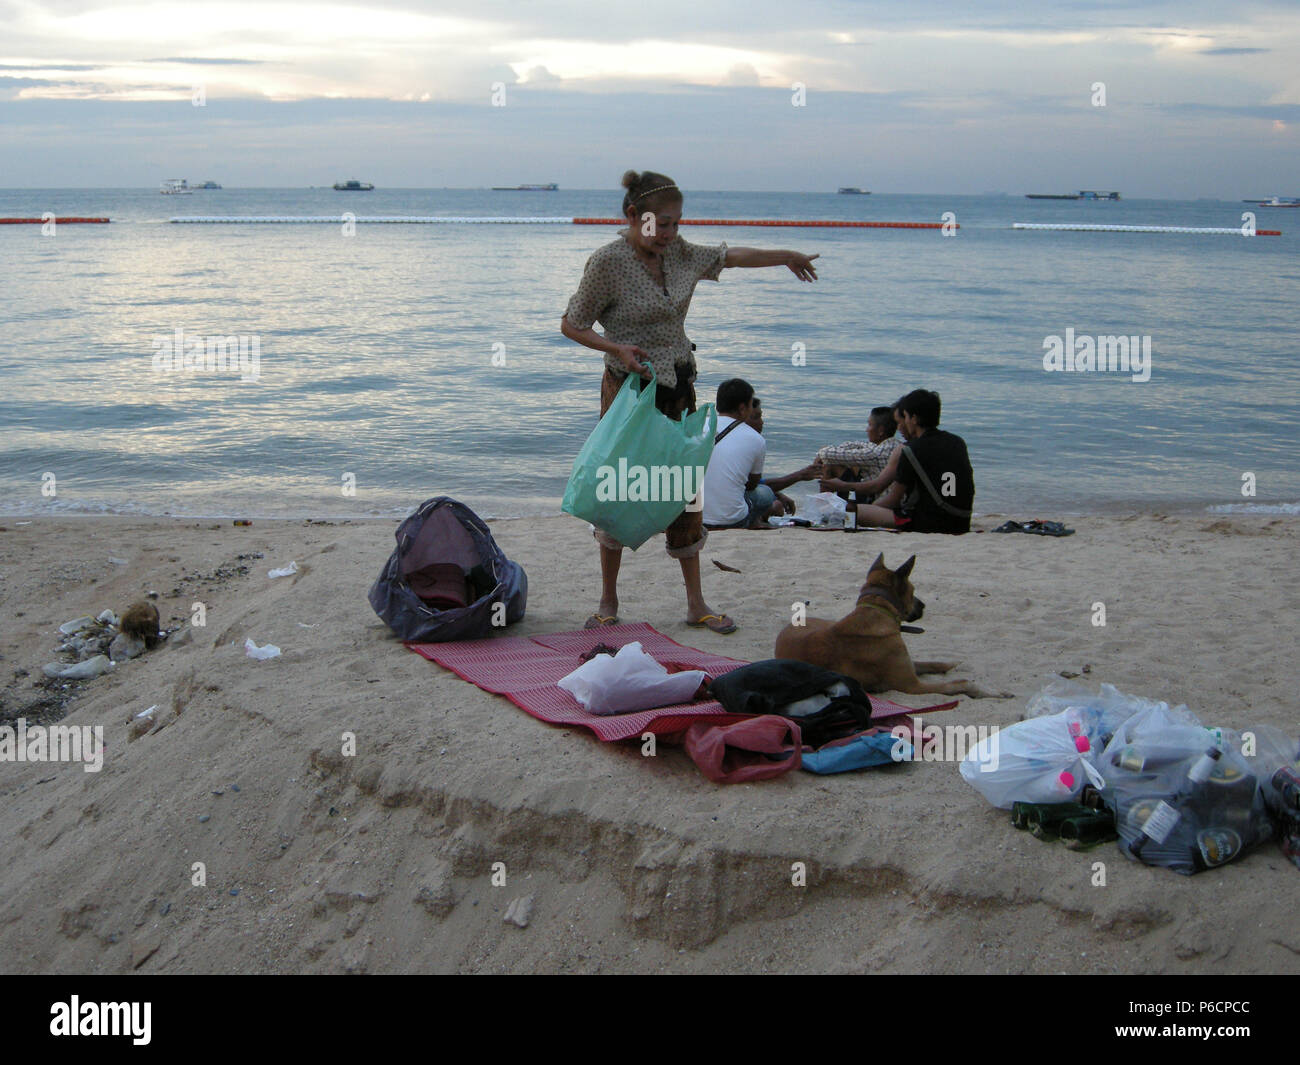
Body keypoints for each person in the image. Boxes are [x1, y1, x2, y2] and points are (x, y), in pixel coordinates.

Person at [560, 169, 820, 633]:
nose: (668, 233)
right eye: (660, 223)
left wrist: (786, 256)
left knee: (685, 493)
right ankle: (608, 601)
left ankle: (696, 604)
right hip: (628, 395)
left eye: (676, 223)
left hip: (678, 389)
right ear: (632, 216)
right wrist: (616, 348)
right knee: (620, 489)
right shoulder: (607, 262)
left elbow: (730, 257)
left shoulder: (680, 254)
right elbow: (572, 324)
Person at [842, 389, 975, 534]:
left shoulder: (911, 450)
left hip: (930, 522)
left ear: (914, 419)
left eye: (905, 417)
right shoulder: (957, 442)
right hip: (962, 520)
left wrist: (873, 508)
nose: (903, 424)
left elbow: (893, 499)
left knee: (857, 512)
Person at [701, 379, 819, 530]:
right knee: (765, 494)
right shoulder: (755, 439)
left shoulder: (697, 427)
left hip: (694, 517)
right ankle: (754, 521)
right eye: (750, 406)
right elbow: (752, 485)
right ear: (742, 408)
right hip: (732, 521)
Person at [816, 406, 901, 504]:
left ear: (881, 430)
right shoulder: (894, 444)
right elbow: (858, 444)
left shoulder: (875, 454)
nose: (866, 430)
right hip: (882, 494)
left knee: (829, 464)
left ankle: (821, 507)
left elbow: (826, 454)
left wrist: (821, 453)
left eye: (869, 425)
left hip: (876, 501)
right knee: (836, 461)